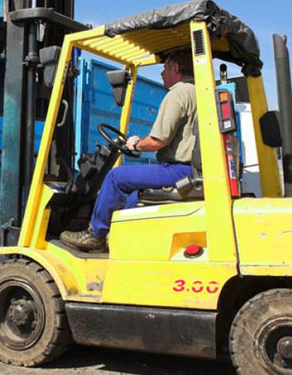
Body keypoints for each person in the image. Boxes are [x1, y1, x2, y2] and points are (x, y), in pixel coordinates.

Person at [60, 49, 197, 253]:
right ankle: (119, 240)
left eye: (164, 68)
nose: (161, 74)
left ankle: (95, 235)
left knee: (115, 177)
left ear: (175, 68)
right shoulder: (199, 92)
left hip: (177, 170)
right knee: (132, 196)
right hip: (190, 170)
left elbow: (158, 141)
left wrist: (136, 144)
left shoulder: (178, 93)